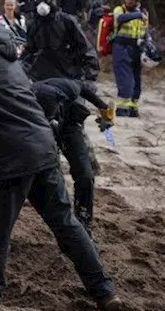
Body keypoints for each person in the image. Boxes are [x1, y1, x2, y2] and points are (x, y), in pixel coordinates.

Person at [0, 6, 127, 311]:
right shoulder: (3, 49)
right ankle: (104, 290)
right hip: (42, 144)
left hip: (11, 154)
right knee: (65, 222)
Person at [32, 77, 116, 233]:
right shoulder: (25, 97)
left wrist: (104, 109)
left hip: (69, 124)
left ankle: (84, 224)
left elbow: (84, 88)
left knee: (85, 174)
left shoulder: (68, 87)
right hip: (36, 130)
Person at [22, 0, 99, 83]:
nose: (42, 3)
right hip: (42, 77)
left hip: (69, 75)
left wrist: (90, 77)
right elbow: (29, 52)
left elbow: (85, 48)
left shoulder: (67, 21)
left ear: (52, 0)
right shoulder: (33, 25)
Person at [110, 0, 148, 117]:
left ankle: (133, 107)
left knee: (137, 79)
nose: (131, 1)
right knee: (125, 78)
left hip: (136, 49)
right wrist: (138, 15)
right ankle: (122, 108)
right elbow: (120, 19)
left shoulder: (143, 13)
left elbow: (145, 31)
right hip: (121, 47)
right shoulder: (119, 10)